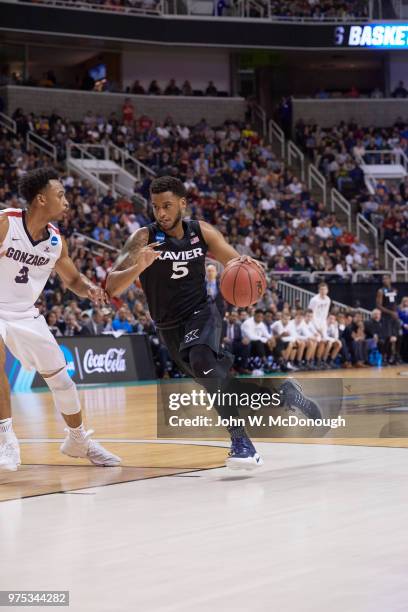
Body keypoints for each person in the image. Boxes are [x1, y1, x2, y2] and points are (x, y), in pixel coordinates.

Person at [106, 176, 321, 469]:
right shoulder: (142, 239)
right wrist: (138, 267)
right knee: (219, 384)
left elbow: (238, 264)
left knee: (204, 363)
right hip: (168, 327)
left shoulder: (202, 231)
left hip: (201, 314)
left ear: (183, 203)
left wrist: (251, 271)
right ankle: (284, 395)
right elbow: (111, 285)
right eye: (156, 207)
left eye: (167, 205)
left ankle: (242, 444)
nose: (162, 213)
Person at [0, 167, 120, 471]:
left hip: (26, 314)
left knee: (63, 383)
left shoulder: (56, 241)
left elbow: (74, 281)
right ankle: (5, 440)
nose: (67, 201)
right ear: (41, 199)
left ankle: (77, 439)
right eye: (61, 195)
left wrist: (90, 290)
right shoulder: (6, 223)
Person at [376, 274, 401, 365]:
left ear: (390, 279)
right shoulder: (381, 291)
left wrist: (397, 311)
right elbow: (378, 306)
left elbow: (395, 304)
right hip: (386, 317)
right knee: (386, 338)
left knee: (397, 337)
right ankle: (384, 357)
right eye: (383, 279)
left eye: (386, 278)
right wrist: (391, 312)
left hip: (394, 317)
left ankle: (394, 357)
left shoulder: (395, 290)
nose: (384, 280)